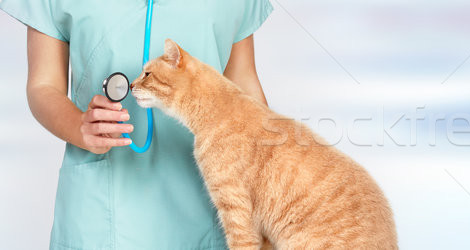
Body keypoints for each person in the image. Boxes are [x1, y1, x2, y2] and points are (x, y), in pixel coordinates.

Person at [0, 0, 273, 249]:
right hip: (101, 214)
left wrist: (276, 182)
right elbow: (43, 85)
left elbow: (243, 83)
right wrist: (80, 127)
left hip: (212, 203)